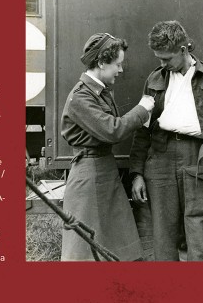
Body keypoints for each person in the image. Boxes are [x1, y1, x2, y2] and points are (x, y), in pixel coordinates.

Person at [128, 21, 203, 261]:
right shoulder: (154, 80)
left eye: (167, 58)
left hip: (198, 157)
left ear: (183, 49)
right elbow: (142, 130)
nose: (162, 64)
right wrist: (137, 173)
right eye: (159, 58)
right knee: (163, 235)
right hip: (161, 157)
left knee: (199, 232)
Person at [60, 33, 155, 261]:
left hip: (104, 171)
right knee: (86, 254)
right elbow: (112, 130)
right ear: (102, 62)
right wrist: (142, 110)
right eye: (117, 64)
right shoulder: (81, 97)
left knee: (116, 249)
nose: (120, 70)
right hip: (89, 177)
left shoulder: (99, 92)